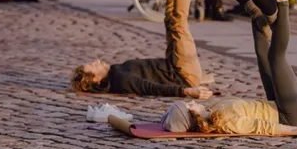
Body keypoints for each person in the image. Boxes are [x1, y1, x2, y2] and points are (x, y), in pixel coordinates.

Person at [159, 98, 297, 139]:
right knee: (276, 56)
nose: (193, 102)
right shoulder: (225, 121)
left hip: (275, 102)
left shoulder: (211, 110)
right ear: (193, 116)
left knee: (267, 55)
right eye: (189, 106)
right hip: (287, 114)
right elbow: (264, 128)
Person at [71, 58, 212, 98]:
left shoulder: (115, 71)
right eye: (92, 66)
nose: (96, 61)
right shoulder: (121, 79)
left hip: (175, 65)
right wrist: (187, 91)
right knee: (176, 21)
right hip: (181, 72)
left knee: (174, 20)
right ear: (95, 79)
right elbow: (151, 88)